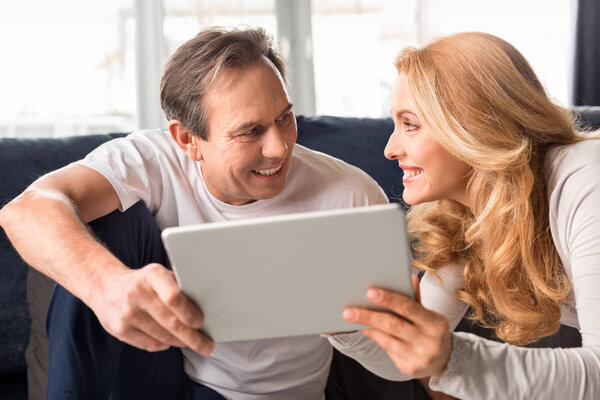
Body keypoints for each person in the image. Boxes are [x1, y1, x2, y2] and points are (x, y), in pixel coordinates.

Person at [0, 27, 389, 399]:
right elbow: (24, 210)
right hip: (158, 366)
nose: (279, 147)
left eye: (284, 118)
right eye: (250, 131)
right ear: (187, 139)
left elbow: (398, 356)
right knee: (100, 220)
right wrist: (107, 286)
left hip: (273, 393)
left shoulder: (350, 195)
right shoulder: (150, 160)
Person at [327, 32, 600, 399]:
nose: (390, 149)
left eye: (410, 124)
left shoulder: (587, 179)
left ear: (473, 126)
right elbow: (404, 360)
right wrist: (332, 315)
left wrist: (453, 358)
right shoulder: (464, 213)